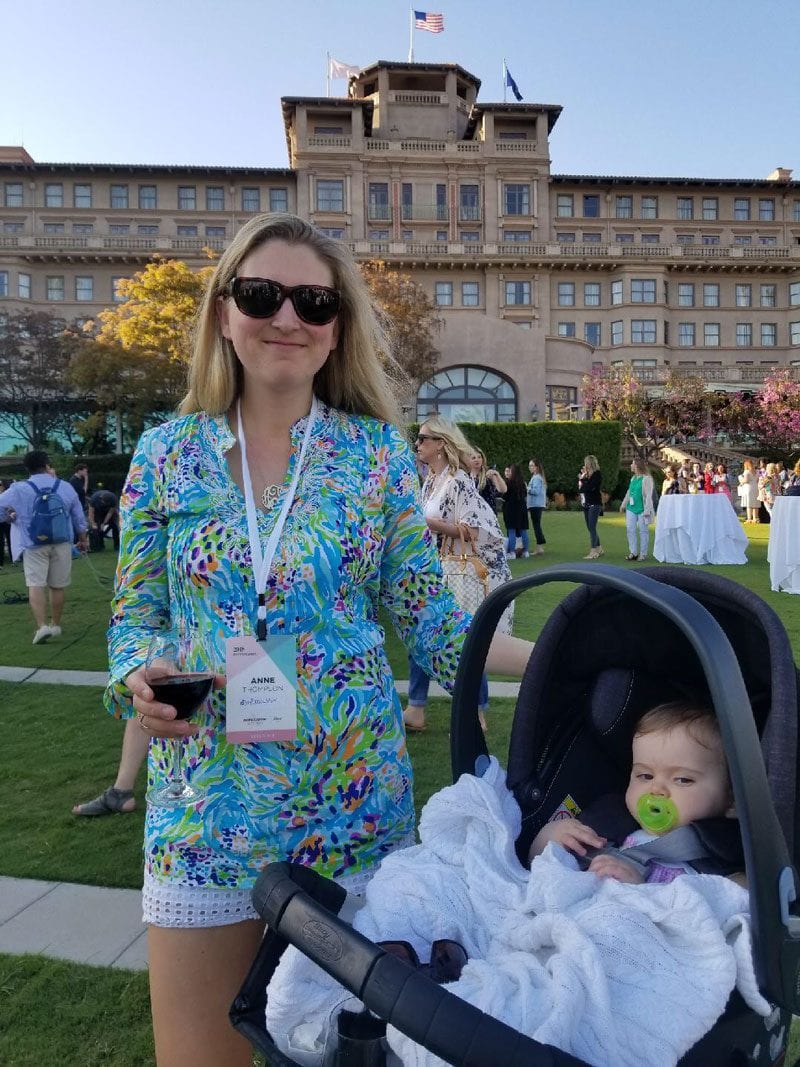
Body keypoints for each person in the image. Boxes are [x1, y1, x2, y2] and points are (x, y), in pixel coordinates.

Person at [106, 213, 533, 1067]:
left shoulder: (373, 454)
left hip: (353, 814)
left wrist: (577, 650)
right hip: (206, 814)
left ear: (338, 326)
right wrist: (137, 677)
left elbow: (436, 625)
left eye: (314, 300)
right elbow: (132, 617)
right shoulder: (164, 454)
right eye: (262, 294)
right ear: (224, 311)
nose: (287, 317)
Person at [528, 702, 739, 885]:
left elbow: (718, 910)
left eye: (683, 780)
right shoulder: (608, 824)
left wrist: (640, 890)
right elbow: (540, 871)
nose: (656, 790)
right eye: (645, 776)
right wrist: (549, 839)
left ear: (731, 801)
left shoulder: (723, 859)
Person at [404, 415, 514, 734]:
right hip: (436, 569)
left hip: (459, 571)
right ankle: (416, 707)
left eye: (423, 438)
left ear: (440, 443)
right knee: (420, 635)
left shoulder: (458, 481)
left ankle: (476, 713)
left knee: (464, 642)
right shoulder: (430, 481)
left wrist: (429, 524)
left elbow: (475, 530)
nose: (417, 444)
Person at [0, 450, 88, 643]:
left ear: (27, 468)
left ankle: (42, 626)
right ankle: (56, 624)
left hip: (33, 543)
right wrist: (83, 539)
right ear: (47, 464)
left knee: (35, 584)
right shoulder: (64, 486)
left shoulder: (19, 488)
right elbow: (78, 516)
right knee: (57, 585)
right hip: (62, 541)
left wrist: (9, 517)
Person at [620, 457, 654, 561]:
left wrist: (647, 510)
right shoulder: (633, 478)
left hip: (642, 508)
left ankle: (643, 554)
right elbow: (629, 492)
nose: (631, 465)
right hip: (631, 508)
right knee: (630, 529)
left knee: (643, 530)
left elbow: (648, 495)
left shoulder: (647, 479)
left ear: (637, 466)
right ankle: (633, 552)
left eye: (632, 464)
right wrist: (623, 504)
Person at [502, 463, 530, 559]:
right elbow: (525, 495)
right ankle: (526, 551)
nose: (508, 473)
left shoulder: (509, 483)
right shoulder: (522, 483)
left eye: (510, 471)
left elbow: (504, 495)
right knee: (523, 530)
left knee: (511, 530)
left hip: (511, 509)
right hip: (522, 509)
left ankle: (512, 552)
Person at [578, 454, 603, 559]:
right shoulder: (586, 475)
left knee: (592, 527)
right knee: (590, 527)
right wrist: (583, 478)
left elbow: (590, 487)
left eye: (586, 463)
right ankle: (599, 548)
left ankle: (593, 551)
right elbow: (581, 489)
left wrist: (583, 480)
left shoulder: (597, 475)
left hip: (595, 504)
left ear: (589, 463)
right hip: (586, 504)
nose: (585, 465)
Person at [467, 447, 506, 513]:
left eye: (479, 457)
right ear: (468, 460)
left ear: (482, 459)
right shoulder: (466, 476)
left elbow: (503, 490)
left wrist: (497, 475)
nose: (477, 460)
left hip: (488, 512)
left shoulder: (488, 474)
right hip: (472, 513)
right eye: (473, 458)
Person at [88, 485, 120, 551]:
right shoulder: (94, 499)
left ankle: (117, 546)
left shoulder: (113, 499)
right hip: (97, 512)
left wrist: (104, 523)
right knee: (98, 527)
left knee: (114, 526)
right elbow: (91, 513)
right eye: (103, 502)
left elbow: (110, 512)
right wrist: (93, 524)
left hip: (109, 512)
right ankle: (100, 545)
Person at [526, 458, 547, 556]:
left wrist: (527, 488)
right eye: (530, 465)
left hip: (536, 505)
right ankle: (539, 546)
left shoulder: (537, 478)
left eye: (532, 465)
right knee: (536, 525)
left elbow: (536, 491)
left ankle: (539, 547)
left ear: (537, 467)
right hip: (535, 505)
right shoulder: (536, 477)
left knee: (536, 525)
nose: (530, 467)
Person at [738, 459, 760, 523]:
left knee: (749, 504)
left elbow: (746, 480)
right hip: (755, 487)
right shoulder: (757, 471)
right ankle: (755, 518)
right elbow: (758, 480)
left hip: (749, 488)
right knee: (755, 504)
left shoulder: (747, 472)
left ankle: (749, 519)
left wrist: (740, 479)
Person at [0, 477, 13, 566]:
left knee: (10, 540)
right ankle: (1, 561)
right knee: (0, 541)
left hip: (7, 521)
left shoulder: (6, 496)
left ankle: (14, 558)